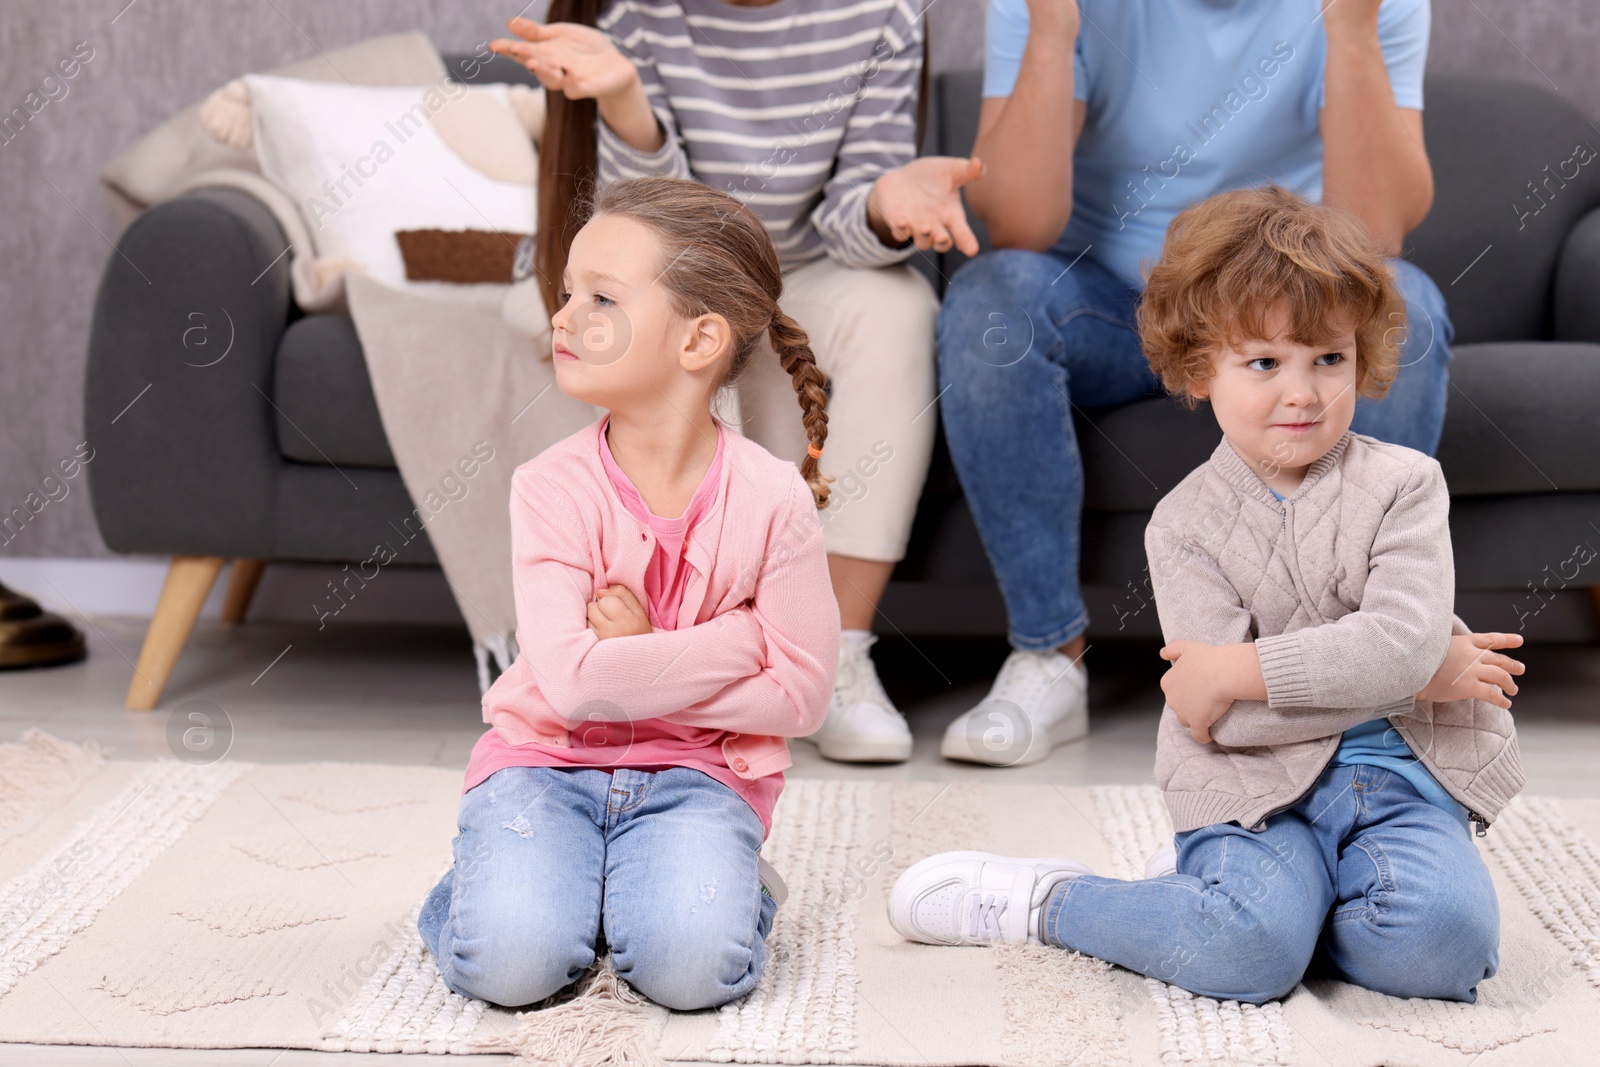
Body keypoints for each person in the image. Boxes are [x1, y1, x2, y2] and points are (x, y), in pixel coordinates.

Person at [888, 188, 1526, 1005]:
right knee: (1246, 958)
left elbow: (1353, 653)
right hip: (1256, 789)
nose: (1302, 392)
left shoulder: (1407, 485)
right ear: (1199, 368)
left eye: (1328, 358)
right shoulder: (1184, 526)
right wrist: (1415, 673)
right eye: (1264, 362)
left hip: (1399, 784)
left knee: (1444, 950)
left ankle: (1243, 911)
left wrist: (1247, 668)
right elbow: (1221, 717)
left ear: (1361, 359)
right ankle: (1055, 902)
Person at [935, 0, 1452, 765]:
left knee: (1408, 308)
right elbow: (1017, 224)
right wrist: (1052, 30)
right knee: (991, 301)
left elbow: (1373, 237)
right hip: (1105, 308)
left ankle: (1339, 658)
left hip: (1284, 317)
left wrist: (1349, 28)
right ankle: (1049, 656)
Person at [490, 0, 981, 763]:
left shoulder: (882, 14)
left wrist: (887, 203)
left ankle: (836, 647)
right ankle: (722, 640)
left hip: (814, 265)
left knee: (900, 306)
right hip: (674, 275)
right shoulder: (638, 17)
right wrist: (626, 104)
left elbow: (849, 218)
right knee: (656, 323)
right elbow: (646, 230)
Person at [417, 177, 840, 1010]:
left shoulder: (775, 498)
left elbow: (805, 696)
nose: (563, 316)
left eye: (601, 297)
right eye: (569, 292)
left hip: (699, 775)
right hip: (544, 768)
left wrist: (635, 650)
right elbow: (572, 685)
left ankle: (706, 887)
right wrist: (740, 639)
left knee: (692, 973)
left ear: (698, 340)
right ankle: (483, 883)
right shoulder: (549, 488)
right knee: (511, 965)